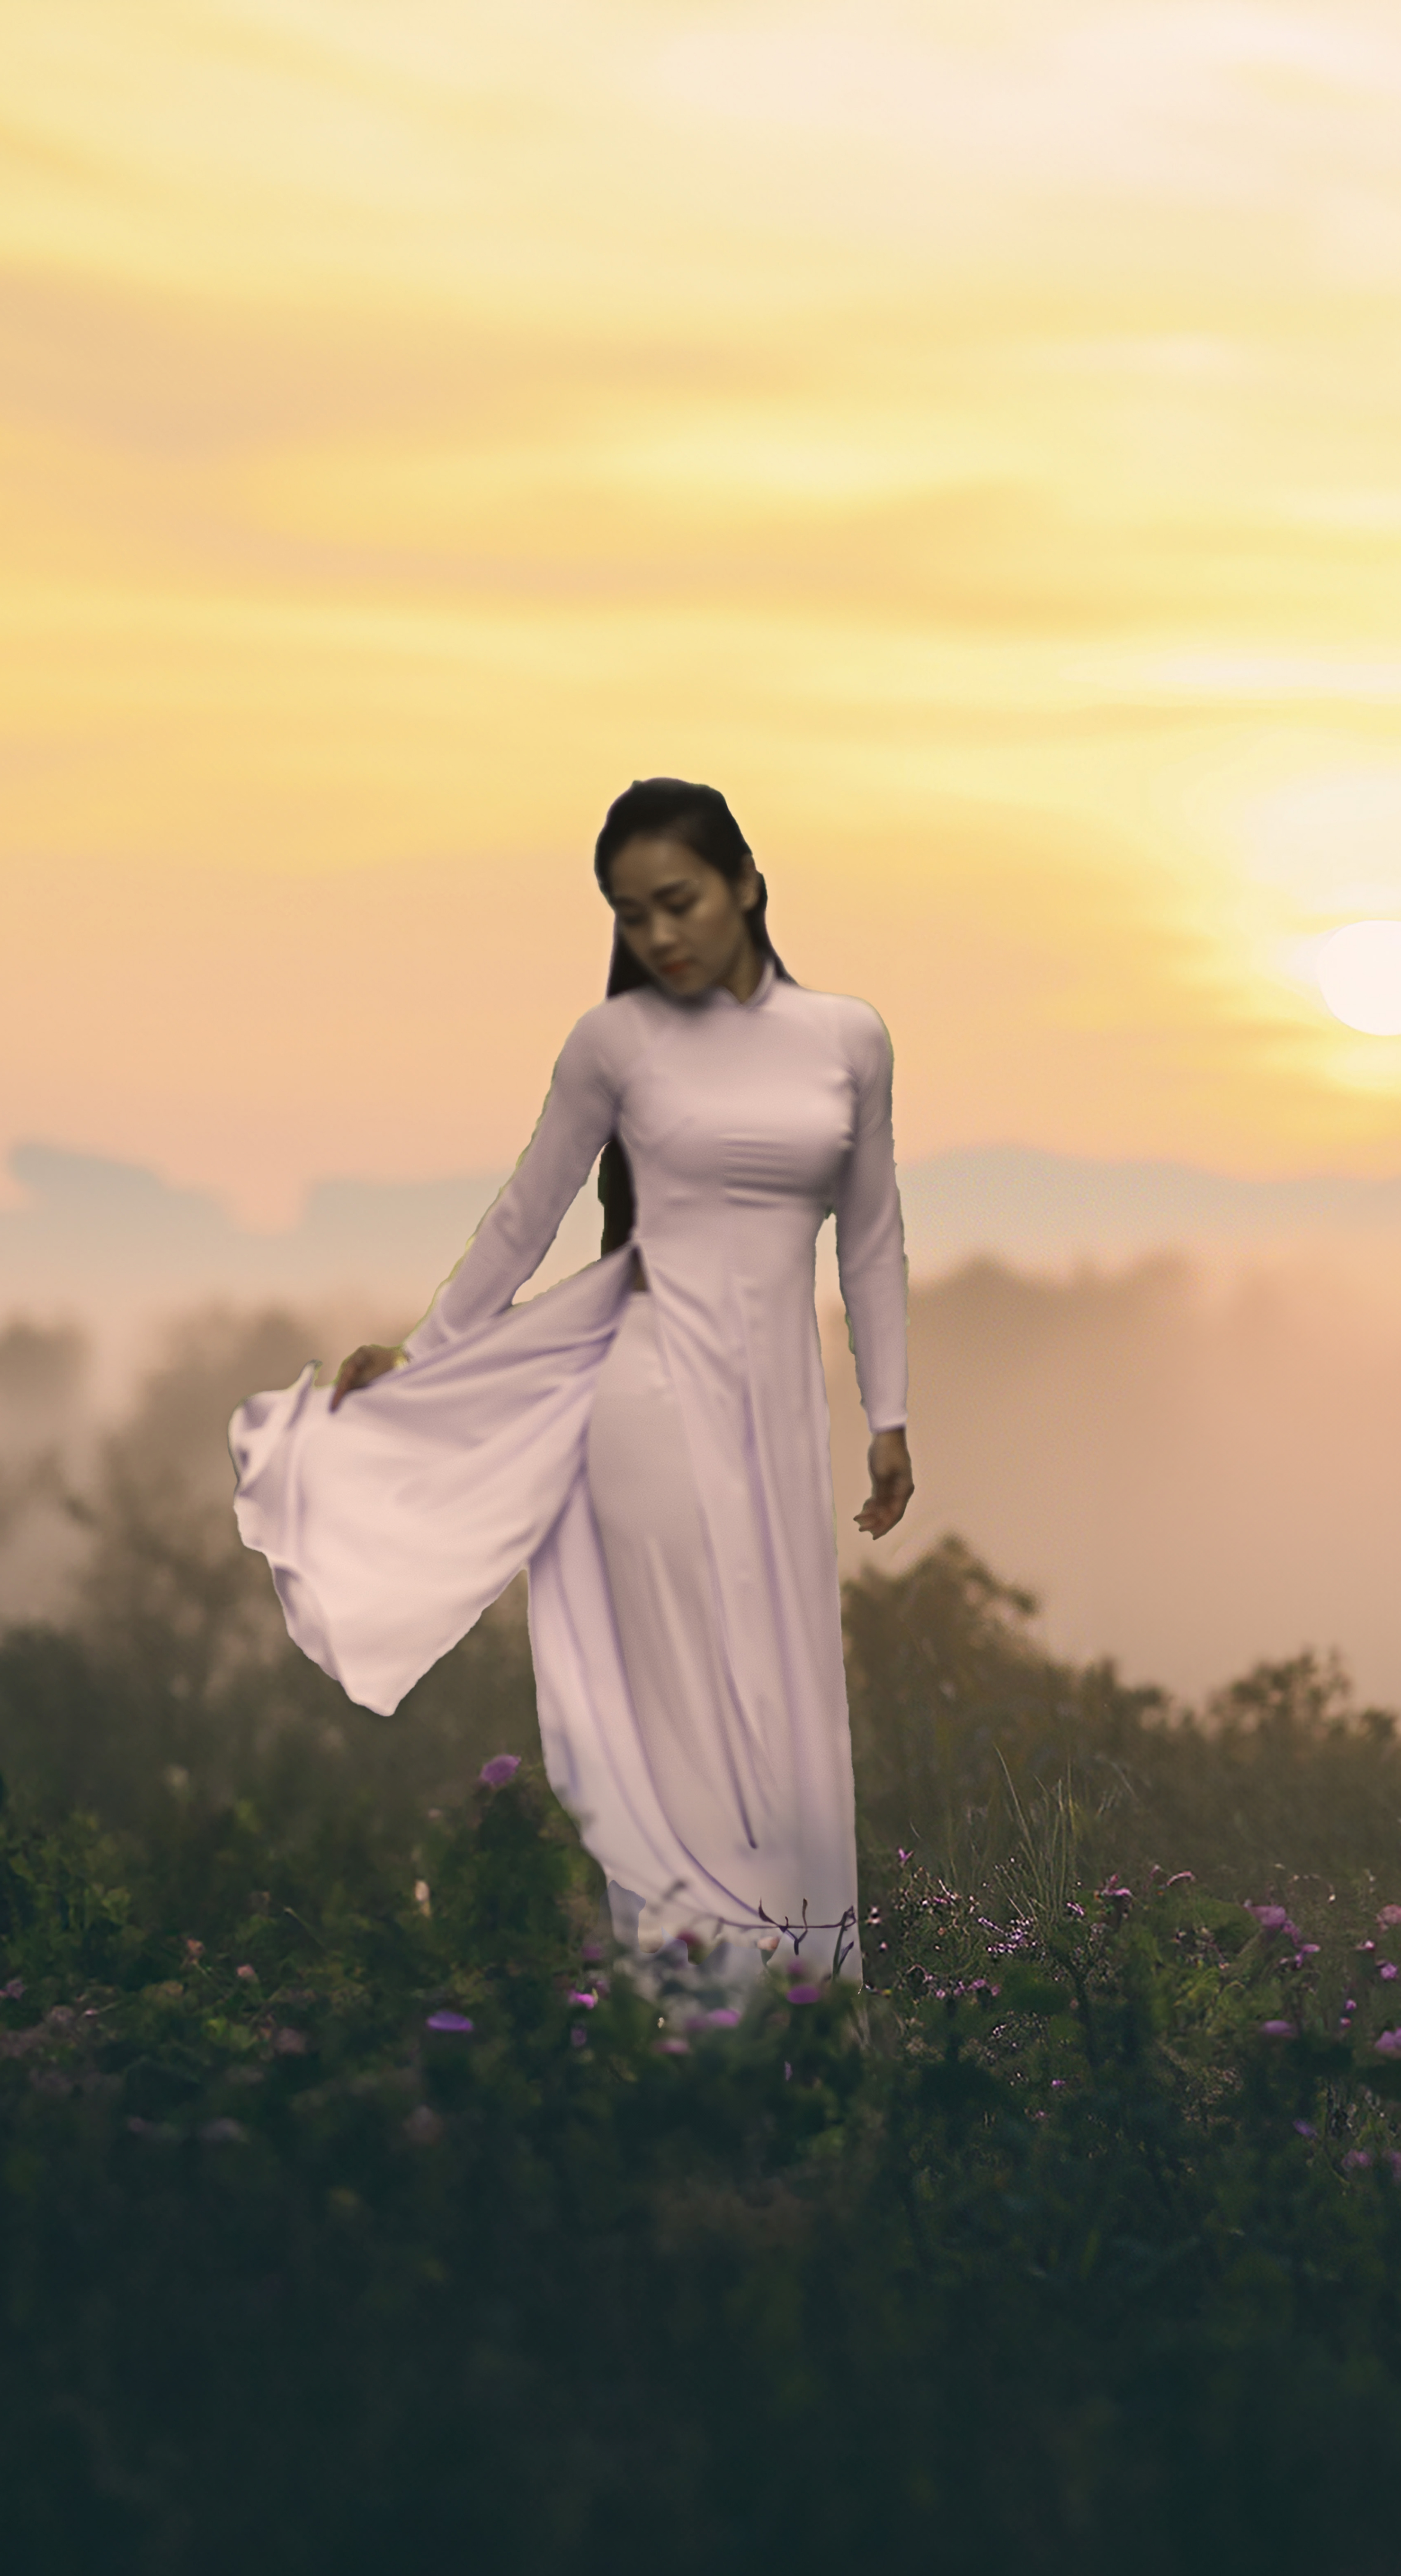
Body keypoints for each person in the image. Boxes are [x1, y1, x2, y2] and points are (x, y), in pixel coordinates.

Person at [228, 779, 911, 1986]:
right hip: (638, 1400)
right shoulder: (615, 1046)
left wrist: (891, 1414)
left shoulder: (849, 1039)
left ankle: (797, 2008)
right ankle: (692, 2006)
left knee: (783, 1706)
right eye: (631, 912)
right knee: (669, 1712)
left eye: (680, 900)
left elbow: (870, 1235)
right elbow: (526, 1217)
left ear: (748, 884)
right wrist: (430, 1358)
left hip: (778, 1416)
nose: (659, 934)